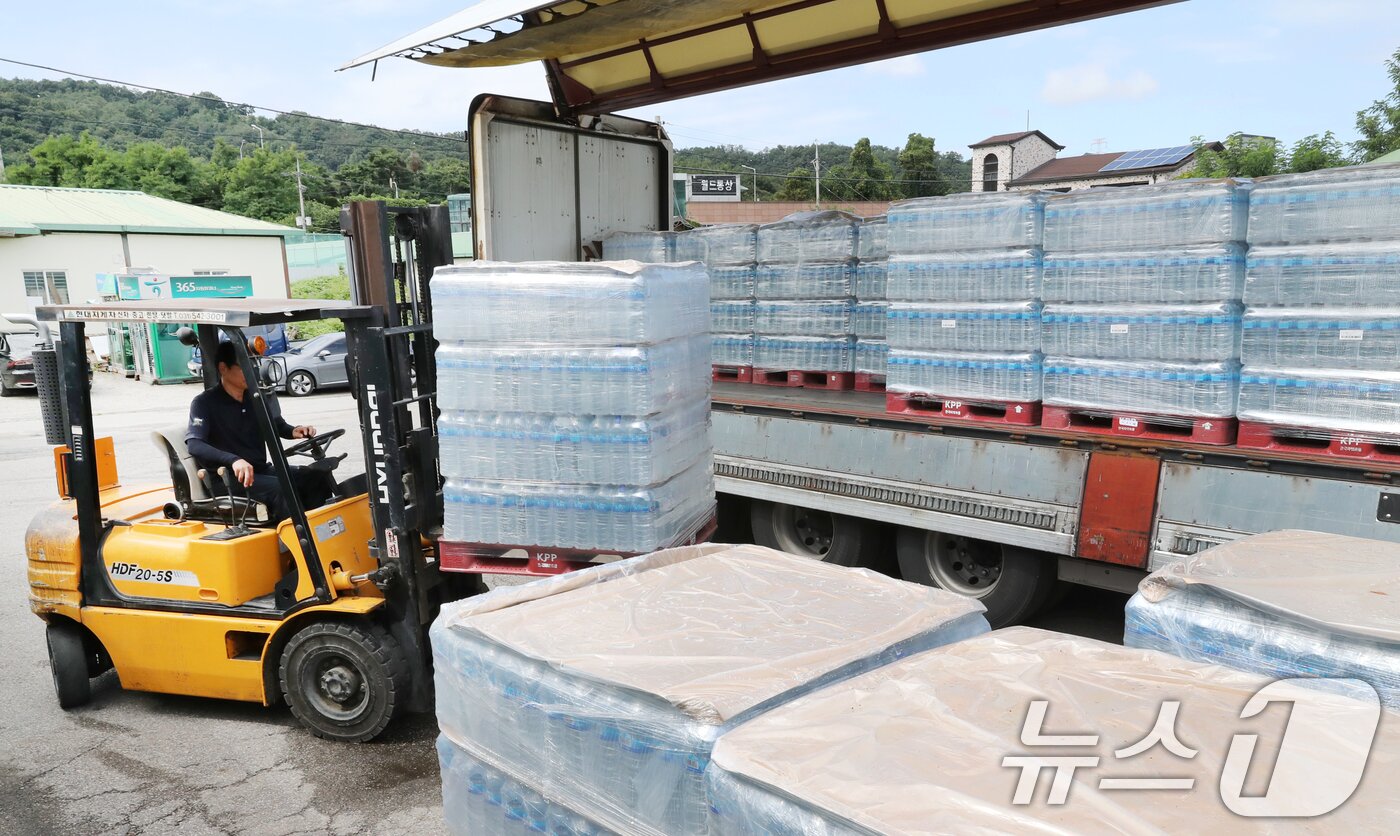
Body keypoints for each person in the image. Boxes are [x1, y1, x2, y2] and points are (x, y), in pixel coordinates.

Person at [186, 341, 334, 522]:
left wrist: (294, 430)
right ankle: (295, 542)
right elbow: (194, 444)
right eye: (244, 367)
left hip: (260, 471)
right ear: (223, 368)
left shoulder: (255, 398)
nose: (251, 372)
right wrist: (234, 460)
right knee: (281, 487)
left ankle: (321, 533)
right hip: (228, 479)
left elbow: (277, 425)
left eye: (253, 365)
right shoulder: (205, 402)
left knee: (314, 477)